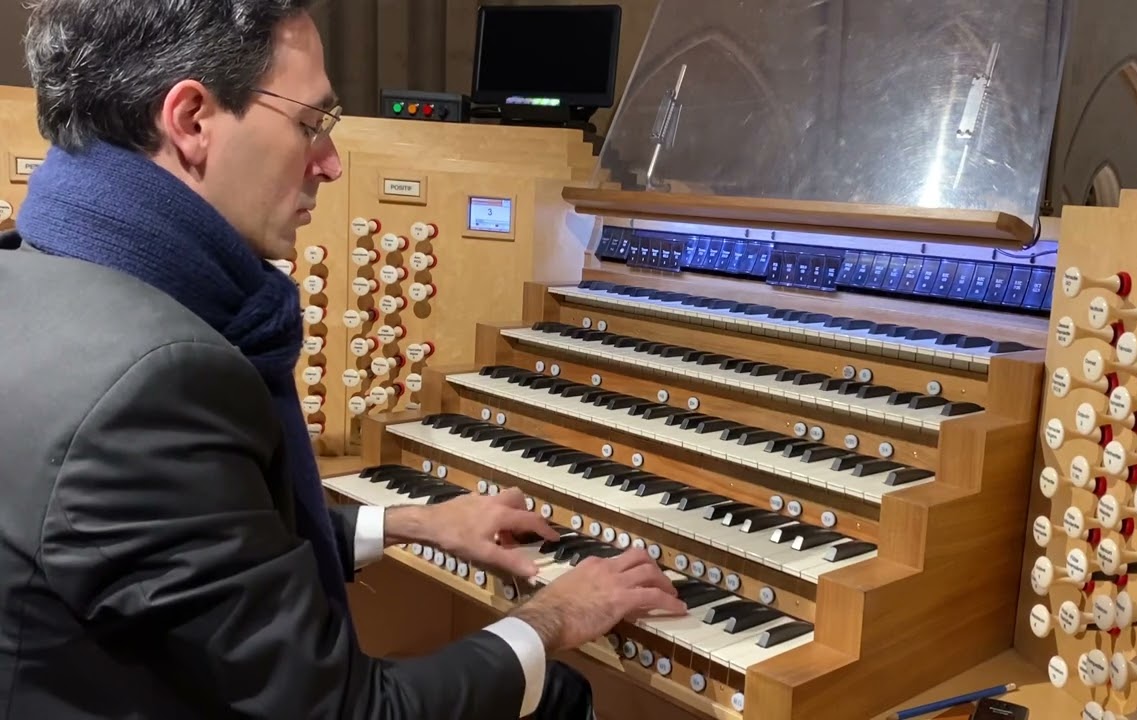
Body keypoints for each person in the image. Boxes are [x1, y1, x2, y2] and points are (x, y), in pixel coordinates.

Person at [0, 1, 686, 718]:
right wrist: (556, 616)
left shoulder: (33, 272)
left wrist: (410, 524)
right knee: (557, 694)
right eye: (311, 123)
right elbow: (352, 713)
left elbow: (195, 549)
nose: (328, 163)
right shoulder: (160, 381)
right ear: (192, 119)